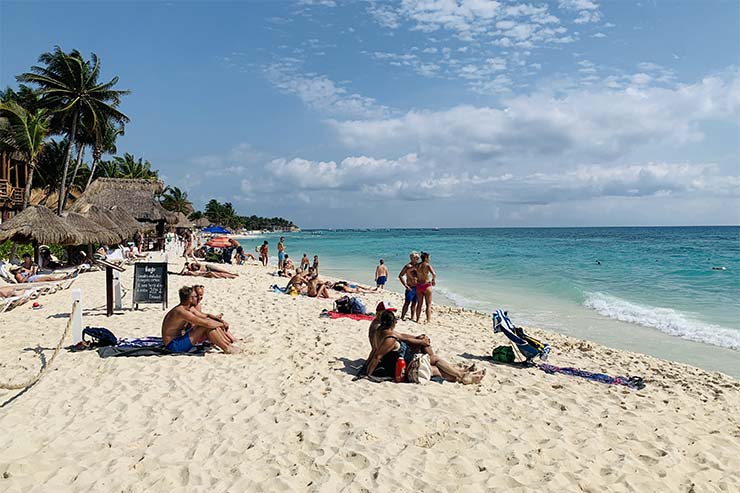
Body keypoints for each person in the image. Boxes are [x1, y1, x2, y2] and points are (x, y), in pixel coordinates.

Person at [363, 310, 484, 384]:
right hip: (405, 365)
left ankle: (460, 373)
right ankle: (462, 376)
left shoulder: (381, 331)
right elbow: (377, 356)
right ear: (393, 322)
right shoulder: (389, 339)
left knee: (433, 363)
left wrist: (418, 339)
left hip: (404, 360)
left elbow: (401, 336)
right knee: (435, 363)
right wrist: (368, 374)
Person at [161, 286, 239, 354]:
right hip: (174, 346)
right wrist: (221, 324)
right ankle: (226, 348)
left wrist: (221, 321)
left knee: (208, 323)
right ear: (190, 299)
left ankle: (228, 345)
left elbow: (206, 316)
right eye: (196, 296)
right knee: (204, 326)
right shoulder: (181, 311)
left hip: (179, 340)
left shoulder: (188, 308)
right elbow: (205, 324)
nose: (198, 298)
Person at [414, 252, 437, 323]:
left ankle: (417, 319)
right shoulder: (427, 265)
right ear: (426, 258)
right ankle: (428, 320)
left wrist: (414, 278)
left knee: (419, 304)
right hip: (426, 285)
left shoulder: (417, 265)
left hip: (419, 285)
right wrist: (433, 280)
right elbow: (434, 274)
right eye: (429, 258)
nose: (429, 259)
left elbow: (410, 271)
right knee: (428, 304)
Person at [398, 251, 420, 321]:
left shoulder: (419, 266)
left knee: (414, 303)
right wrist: (405, 285)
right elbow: (400, 275)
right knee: (407, 302)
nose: (416, 259)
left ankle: (412, 317)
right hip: (410, 287)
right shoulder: (407, 266)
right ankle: (402, 316)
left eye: (417, 258)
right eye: (413, 257)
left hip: (418, 287)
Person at [10, 264, 75, 283]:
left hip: (32, 278)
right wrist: (28, 276)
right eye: (18, 269)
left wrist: (31, 271)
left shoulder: (21, 273)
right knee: (48, 278)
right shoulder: (17, 275)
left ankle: (63, 278)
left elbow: (29, 273)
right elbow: (22, 282)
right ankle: (63, 279)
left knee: (49, 277)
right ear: (15, 271)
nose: (19, 269)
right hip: (32, 281)